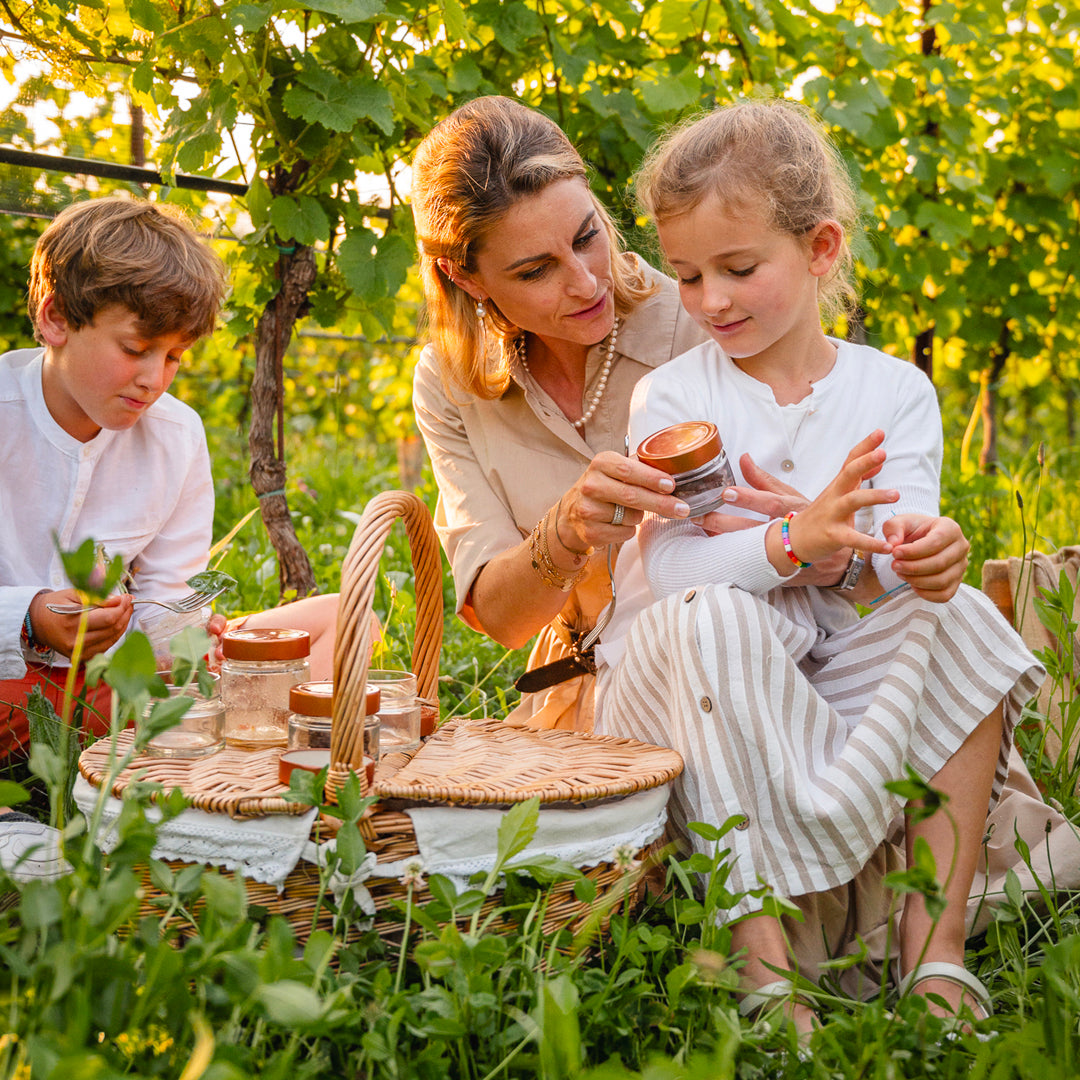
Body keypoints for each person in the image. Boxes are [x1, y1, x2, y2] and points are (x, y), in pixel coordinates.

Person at [592, 99, 1048, 1030]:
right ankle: (762, 975)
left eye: (739, 268)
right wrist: (792, 541)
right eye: (687, 275)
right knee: (714, 616)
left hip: (833, 667)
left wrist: (923, 559)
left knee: (961, 612)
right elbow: (678, 574)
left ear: (822, 248)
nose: (710, 299)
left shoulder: (894, 391)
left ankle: (936, 952)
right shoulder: (673, 398)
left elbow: (893, 557)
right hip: (686, 684)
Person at [0, 196, 335, 883]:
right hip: (10, 683)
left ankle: (261, 794)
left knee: (329, 620)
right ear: (55, 319)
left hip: (105, 685)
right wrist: (31, 617)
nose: (155, 379)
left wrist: (183, 634)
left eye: (176, 356)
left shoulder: (176, 436)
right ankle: (23, 826)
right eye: (136, 350)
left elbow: (164, 595)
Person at [410, 95, 708, 732]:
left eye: (585, 237)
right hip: (577, 707)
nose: (584, 281)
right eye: (536, 270)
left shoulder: (702, 321)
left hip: (720, 681)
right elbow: (502, 618)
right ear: (466, 279)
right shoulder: (451, 384)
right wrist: (566, 533)